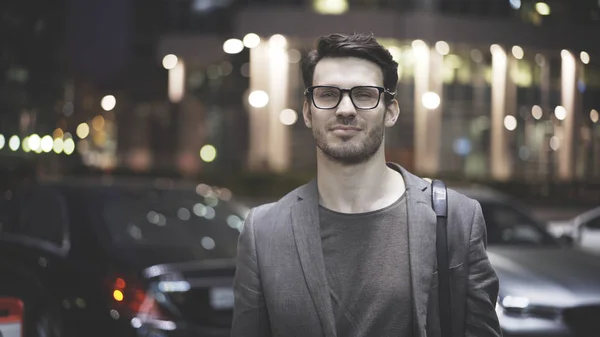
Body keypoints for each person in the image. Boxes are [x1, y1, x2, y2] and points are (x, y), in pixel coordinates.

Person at [231, 32, 502, 337]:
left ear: (391, 111)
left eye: (363, 94)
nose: (345, 109)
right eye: (327, 94)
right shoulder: (263, 231)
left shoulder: (458, 220)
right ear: (308, 111)